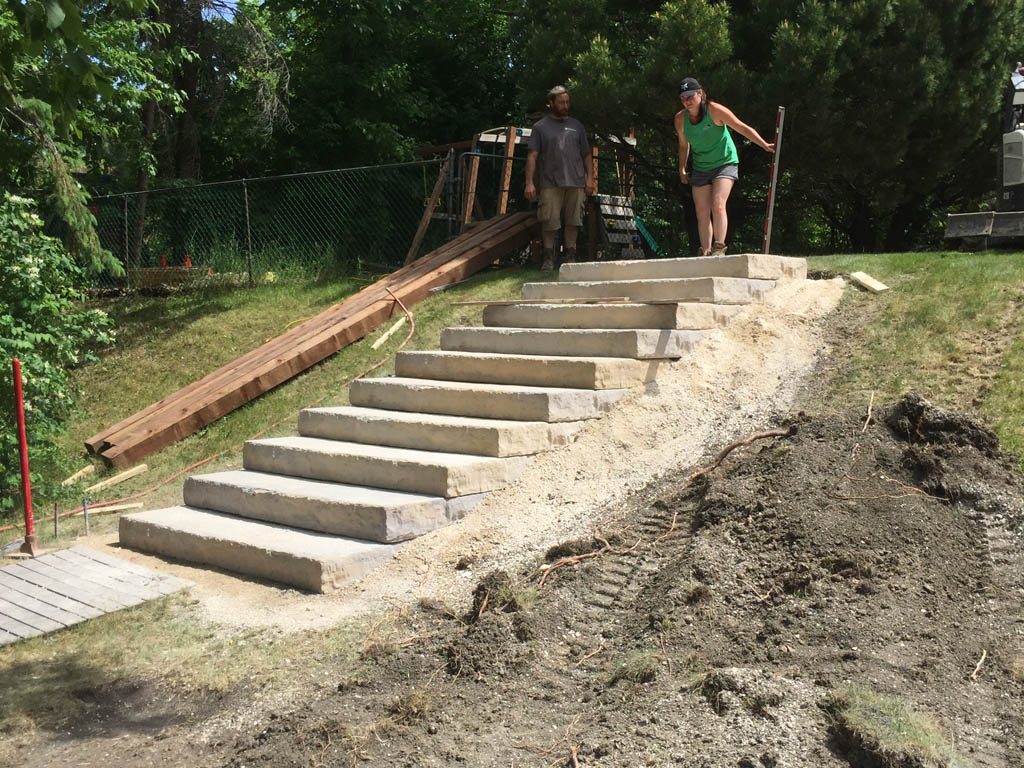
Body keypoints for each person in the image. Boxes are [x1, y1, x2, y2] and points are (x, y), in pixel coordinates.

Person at [674, 77, 775, 257]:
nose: (687, 101)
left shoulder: (715, 110)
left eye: (690, 96)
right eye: (683, 97)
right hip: (701, 166)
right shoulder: (681, 119)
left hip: (724, 162)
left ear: (700, 94)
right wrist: (682, 167)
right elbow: (683, 145)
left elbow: (741, 127)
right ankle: (705, 251)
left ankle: (719, 247)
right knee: (701, 209)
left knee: (718, 203)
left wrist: (764, 145)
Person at [524, 85, 597, 270]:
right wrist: (529, 183)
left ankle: (570, 257)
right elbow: (532, 155)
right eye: (561, 102)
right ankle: (548, 258)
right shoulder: (540, 127)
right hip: (550, 182)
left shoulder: (576, 126)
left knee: (574, 220)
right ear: (551, 104)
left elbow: (587, 155)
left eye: (567, 102)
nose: (565, 105)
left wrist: (590, 179)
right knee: (549, 222)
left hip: (576, 181)